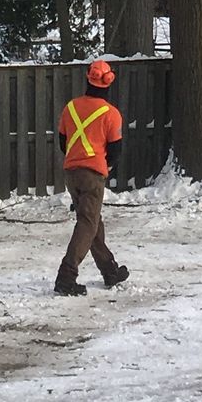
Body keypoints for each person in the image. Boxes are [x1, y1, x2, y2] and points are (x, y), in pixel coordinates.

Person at [54, 59, 131, 297]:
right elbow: (116, 151)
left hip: (71, 173)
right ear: (108, 82)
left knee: (93, 221)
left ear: (88, 79)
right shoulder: (111, 114)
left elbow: (62, 142)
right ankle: (66, 276)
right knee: (88, 224)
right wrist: (102, 166)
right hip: (93, 174)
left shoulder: (70, 108)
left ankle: (109, 270)